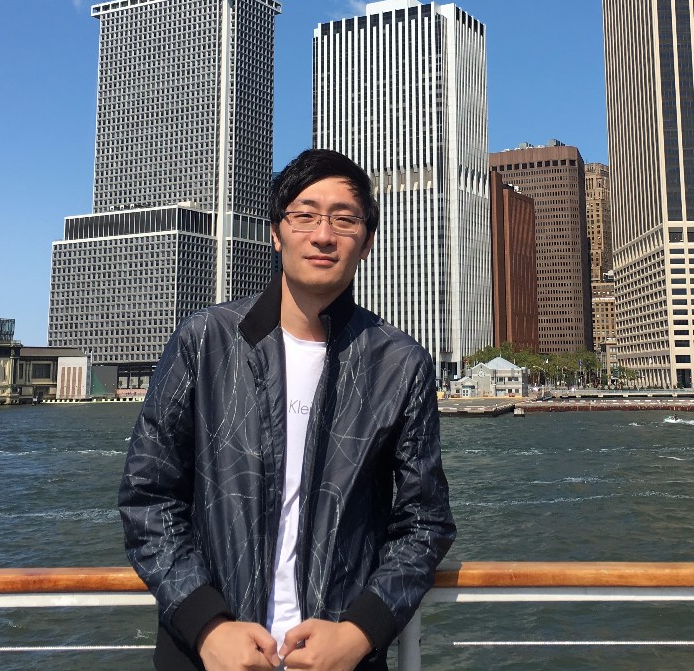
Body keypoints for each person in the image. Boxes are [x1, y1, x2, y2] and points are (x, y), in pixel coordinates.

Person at [119, 148, 456, 671]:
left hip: (339, 658)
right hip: (213, 656)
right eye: (305, 215)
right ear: (276, 233)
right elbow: (148, 496)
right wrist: (207, 626)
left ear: (367, 241)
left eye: (344, 219)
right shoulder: (205, 341)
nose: (323, 235)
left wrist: (359, 633)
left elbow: (424, 521)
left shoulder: (399, 364)